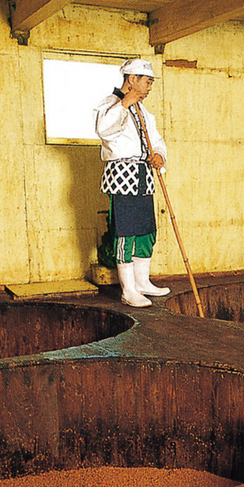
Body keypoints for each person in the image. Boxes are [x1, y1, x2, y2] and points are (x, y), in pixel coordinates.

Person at [94, 58, 171, 307]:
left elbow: (156, 140)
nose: (149, 88)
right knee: (125, 232)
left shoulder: (144, 111)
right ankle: (128, 290)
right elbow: (103, 130)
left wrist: (159, 154)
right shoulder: (110, 104)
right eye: (146, 82)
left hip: (143, 174)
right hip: (122, 175)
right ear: (132, 79)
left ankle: (142, 282)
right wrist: (125, 103)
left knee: (146, 231)